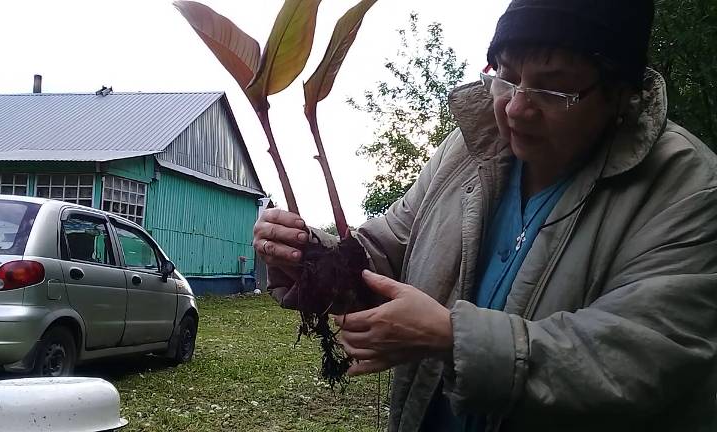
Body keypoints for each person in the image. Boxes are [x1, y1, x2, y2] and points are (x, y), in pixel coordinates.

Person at [253, 0, 717, 430]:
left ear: (620, 93)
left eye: (552, 88)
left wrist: (450, 338)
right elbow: (388, 248)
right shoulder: (469, 150)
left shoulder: (684, 185)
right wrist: (310, 256)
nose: (516, 107)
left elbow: (641, 359)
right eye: (507, 76)